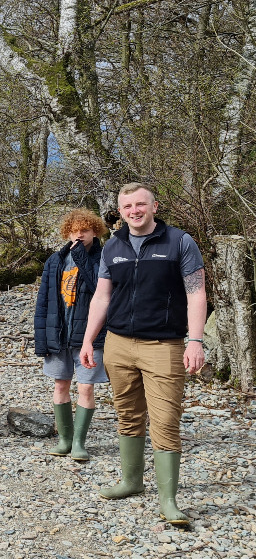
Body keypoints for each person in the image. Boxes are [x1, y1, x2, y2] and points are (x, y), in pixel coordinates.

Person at [80, 183, 206, 525]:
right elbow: (102, 298)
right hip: (119, 344)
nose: (134, 211)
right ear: (119, 212)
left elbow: (196, 294)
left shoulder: (179, 241)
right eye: (127, 207)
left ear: (154, 206)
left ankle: (168, 500)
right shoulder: (112, 246)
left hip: (164, 346)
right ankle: (131, 481)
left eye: (140, 204)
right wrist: (89, 340)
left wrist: (195, 340)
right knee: (128, 415)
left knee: (165, 422)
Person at [34, 209, 108, 461]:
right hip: (59, 334)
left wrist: (80, 256)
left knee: (86, 387)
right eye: (75, 230)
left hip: (89, 335)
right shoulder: (55, 260)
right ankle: (64, 439)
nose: (79, 235)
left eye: (85, 230)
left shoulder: (103, 257)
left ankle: (79, 442)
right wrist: (42, 338)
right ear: (67, 232)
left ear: (95, 231)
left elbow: (101, 289)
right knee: (60, 384)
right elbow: (43, 302)